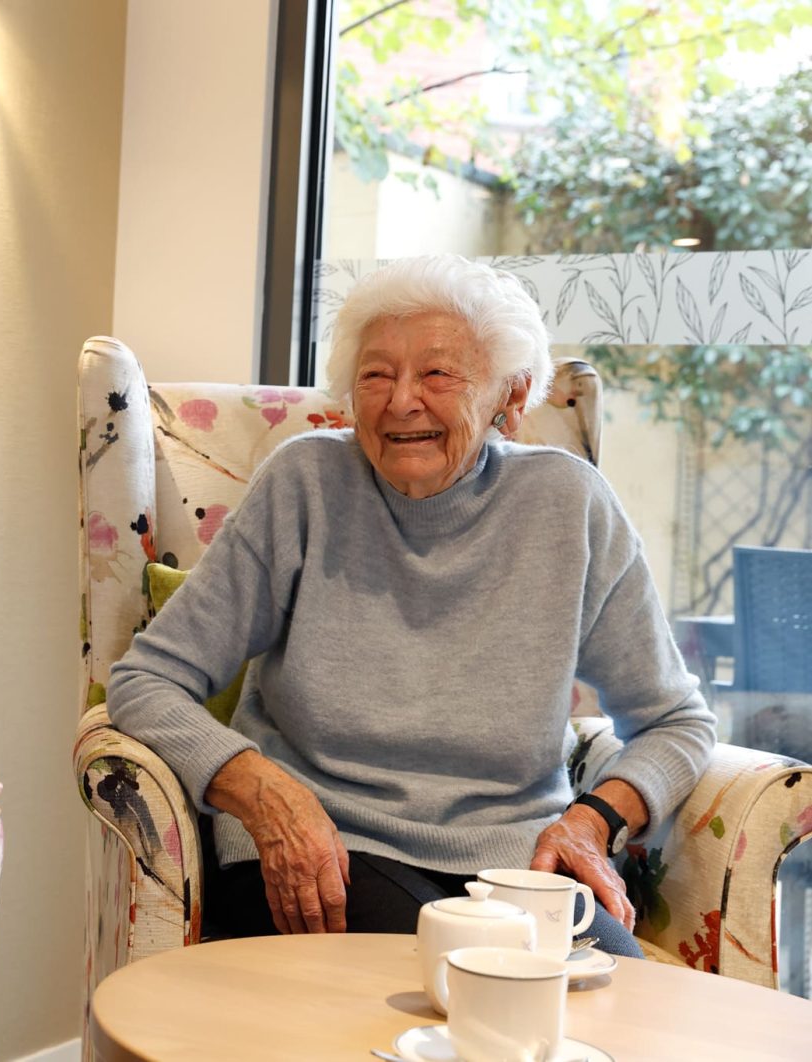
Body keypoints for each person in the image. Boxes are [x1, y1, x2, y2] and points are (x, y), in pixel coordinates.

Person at [108, 255, 715, 956]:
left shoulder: (567, 504)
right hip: (322, 849)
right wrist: (262, 791)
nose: (401, 401)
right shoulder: (305, 485)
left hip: (513, 863)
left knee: (616, 997)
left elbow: (675, 721)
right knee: (459, 987)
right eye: (375, 374)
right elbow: (145, 681)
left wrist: (591, 821)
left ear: (509, 399)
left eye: (436, 374)